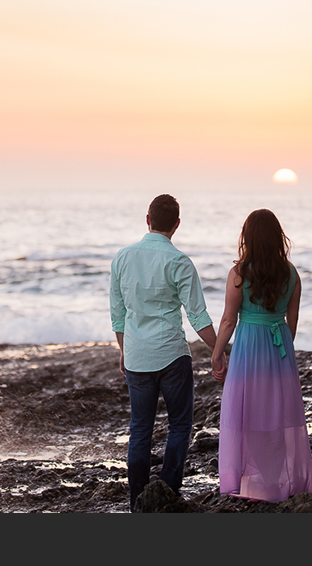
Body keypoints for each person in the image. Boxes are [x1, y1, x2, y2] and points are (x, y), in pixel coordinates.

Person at [110, 194, 221, 511]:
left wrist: (124, 349)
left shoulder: (122, 258)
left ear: (147, 219)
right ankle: (168, 493)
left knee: (140, 430)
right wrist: (220, 352)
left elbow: (118, 315)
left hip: (136, 356)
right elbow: (198, 316)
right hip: (172, 354)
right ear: (176, 224)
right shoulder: (179, 262)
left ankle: (137, 502)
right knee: (180, 426)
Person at [210, 208, 312, 503]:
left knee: (248, 413)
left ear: (248, 238)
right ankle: (276, 479)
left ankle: (258, 480)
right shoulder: (291, 273)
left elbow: (228, 321)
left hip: (248, 347)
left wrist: (216, 356)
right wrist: (280, 350)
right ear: (276, 237)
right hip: (278, 345)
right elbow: (292, 322)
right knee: (278, 412)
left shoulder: (239, 274)